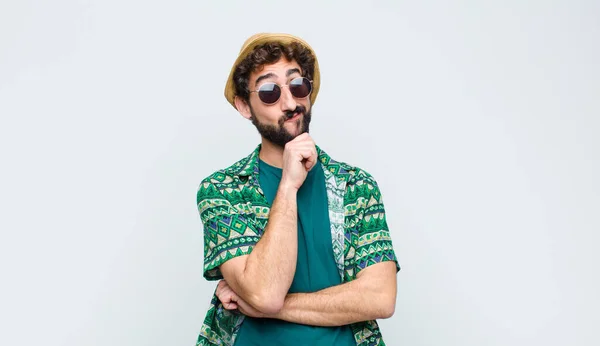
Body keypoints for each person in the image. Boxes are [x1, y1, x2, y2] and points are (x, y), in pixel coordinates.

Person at [195, 32, 401, 346]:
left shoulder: (357, 186)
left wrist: (268, 309)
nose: (290, 102)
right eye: (269, 91)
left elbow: (380, 297)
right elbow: (265, 292)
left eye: (297, 85)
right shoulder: (222, 190)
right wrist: (289, 184)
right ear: (244, 105)